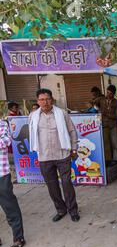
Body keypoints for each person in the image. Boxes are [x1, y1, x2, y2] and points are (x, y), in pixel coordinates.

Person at [29, 89, 80, 222]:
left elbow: (72, 131)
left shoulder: (62, 113)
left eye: (47, 99)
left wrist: (74, 149)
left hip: (62, 154)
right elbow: (32, 134)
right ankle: (61, 210)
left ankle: (73, 210)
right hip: (44, 157)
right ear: (37, 101)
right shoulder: (33, 116)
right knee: (52, 186)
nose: (45, 102)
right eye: (41, 99)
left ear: (52, 100)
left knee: (67, 183)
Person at [0, 119, 26, 247]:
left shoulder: (2, 124)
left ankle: (18, 238)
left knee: (9, 207)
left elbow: (5, 141)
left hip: (1, 174)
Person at [96, 85, 117, 161]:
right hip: (103, 126)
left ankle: (116, 160)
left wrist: (106, 114)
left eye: (110, 93)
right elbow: (96, 108)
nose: (108, 95)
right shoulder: (102, 100)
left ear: (113, 94)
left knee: (114, 144)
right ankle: (107, 160)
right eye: (107, 92)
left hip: (112, 126)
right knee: (105, 144)